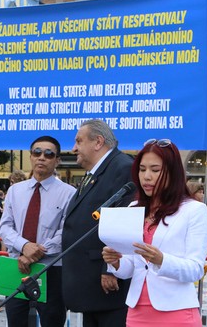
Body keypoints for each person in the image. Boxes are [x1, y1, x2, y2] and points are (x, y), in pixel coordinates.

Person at [102, 138, 207, 327]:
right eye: (142, 169)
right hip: (137, 312)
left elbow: (195, 269)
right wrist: (117, 262)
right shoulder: (133, 207)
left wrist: (162, 260)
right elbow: (134, 267)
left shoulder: (194, 210)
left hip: (176, 312)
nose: (146, 176)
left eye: (155, 170)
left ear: (173, 172)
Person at [62, 119, 134, 327]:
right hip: (90, 285)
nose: (74, 148)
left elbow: (124, 221)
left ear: (98, 142)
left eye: (78, 141)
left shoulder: (123, 168)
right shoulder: (96, 172)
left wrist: (110, 268)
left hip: (108, 285)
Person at [0, 136, 76, 327]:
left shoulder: (69, 193)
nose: (42, 157)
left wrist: (35, 254)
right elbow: (5, 226)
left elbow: (66, 231)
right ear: (31, 156)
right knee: (16, 321)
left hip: (51, 269)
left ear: (57, 160)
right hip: (17, 266)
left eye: (49, 154)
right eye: (37, 152)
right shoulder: (15, 191)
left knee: (52, 321)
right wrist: (24, 246)